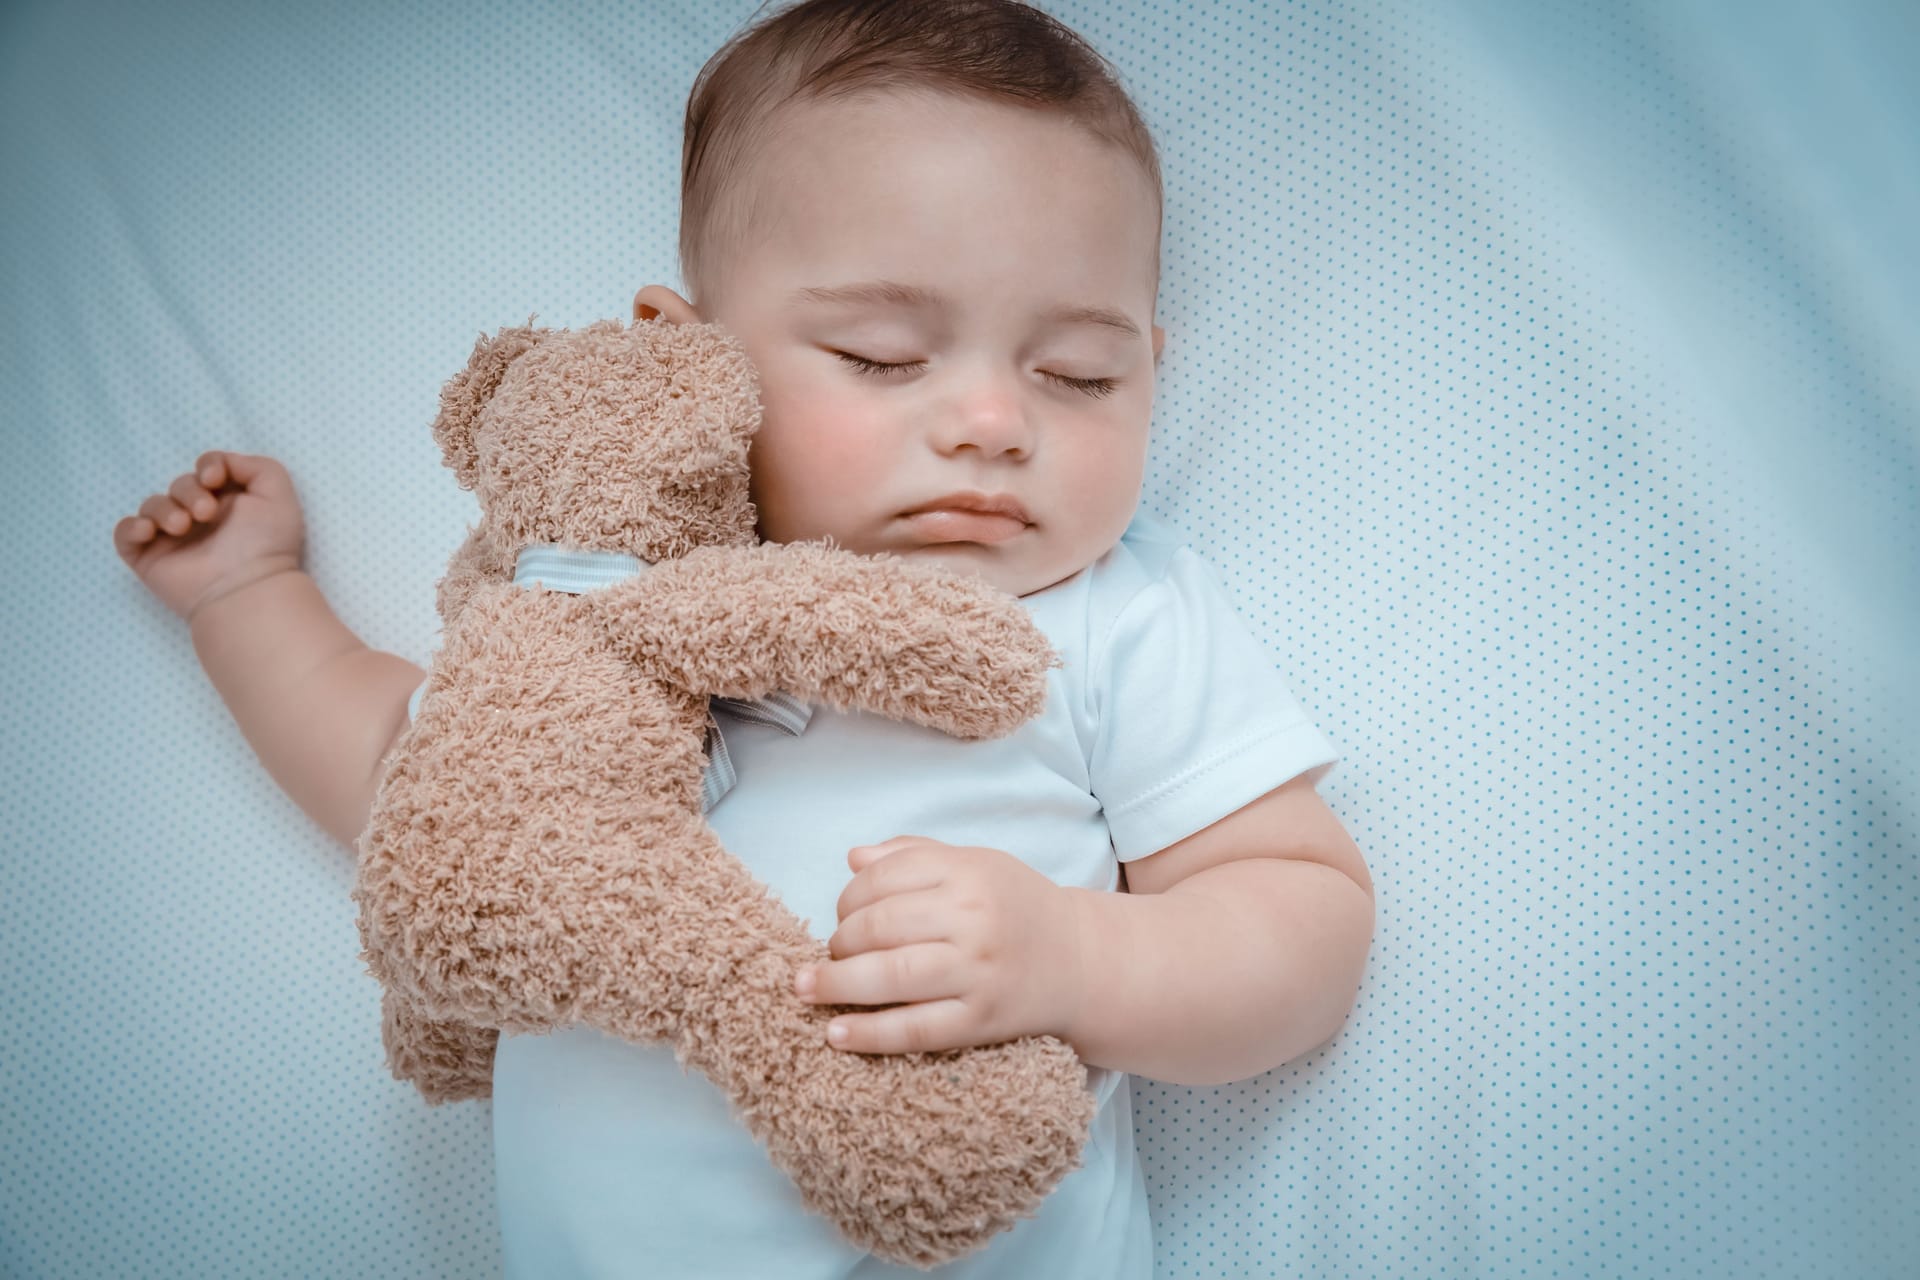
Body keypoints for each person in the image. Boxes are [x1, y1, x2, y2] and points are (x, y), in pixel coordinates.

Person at [111, 1, 1376, 1275]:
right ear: (694, 356)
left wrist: (1078, 957)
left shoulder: (1112, 615)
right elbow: (402, 769)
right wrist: (247, 595)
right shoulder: (602, 610)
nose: (993, 420)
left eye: (1081, 375)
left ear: (1151, 368)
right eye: (882, 356)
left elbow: (1302, 915)